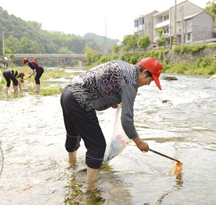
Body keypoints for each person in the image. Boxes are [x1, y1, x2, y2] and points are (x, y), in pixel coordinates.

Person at [60, 57, 163, 189]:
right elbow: (126, 120)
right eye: (151, 80)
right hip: (80, 99)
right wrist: (139, 142)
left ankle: (71, 166)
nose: (149, 84)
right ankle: (91, 190)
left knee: (73, 133)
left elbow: (104, 82)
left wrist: (110, 100)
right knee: (98, 147)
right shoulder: (131, 82)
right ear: (143, 72)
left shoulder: (123, 66)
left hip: (67, 93)